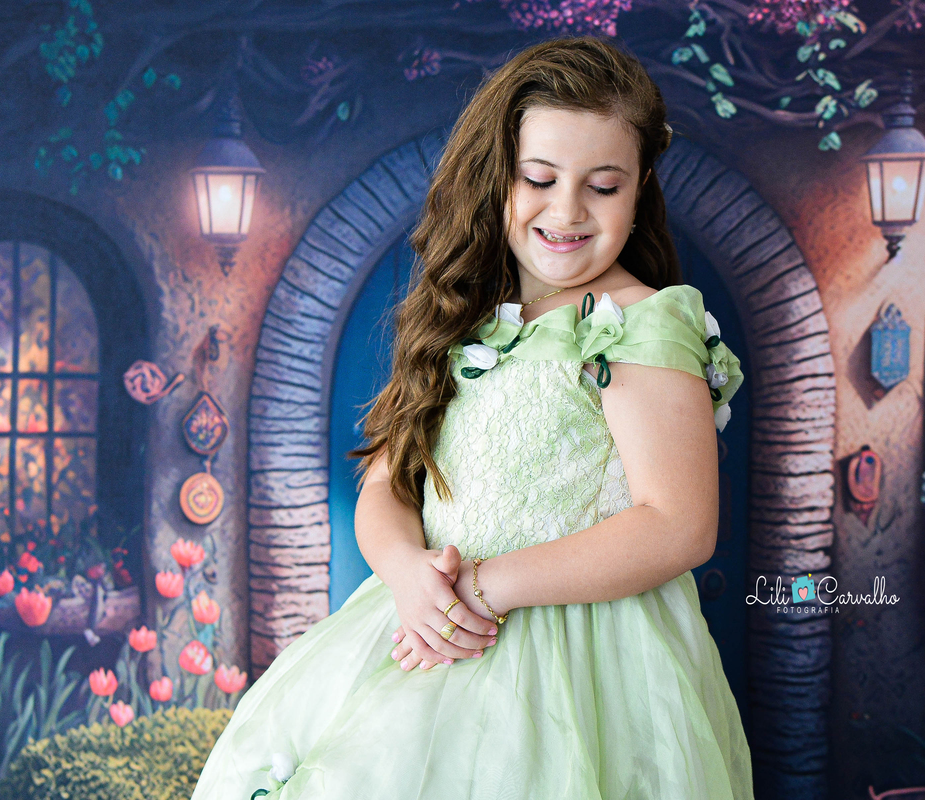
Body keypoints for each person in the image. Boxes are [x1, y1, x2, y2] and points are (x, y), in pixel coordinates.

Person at [190, 36, 754, 800]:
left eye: (604, 186)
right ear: (500, 177)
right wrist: (405, 573)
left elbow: (679, 523)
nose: (567, 211)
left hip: (579, 665)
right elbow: (387, 483)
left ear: (640, 188)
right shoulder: (466, 316)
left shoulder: (638, 323)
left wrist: (484, 589)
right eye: (540, 178)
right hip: (430, 621)